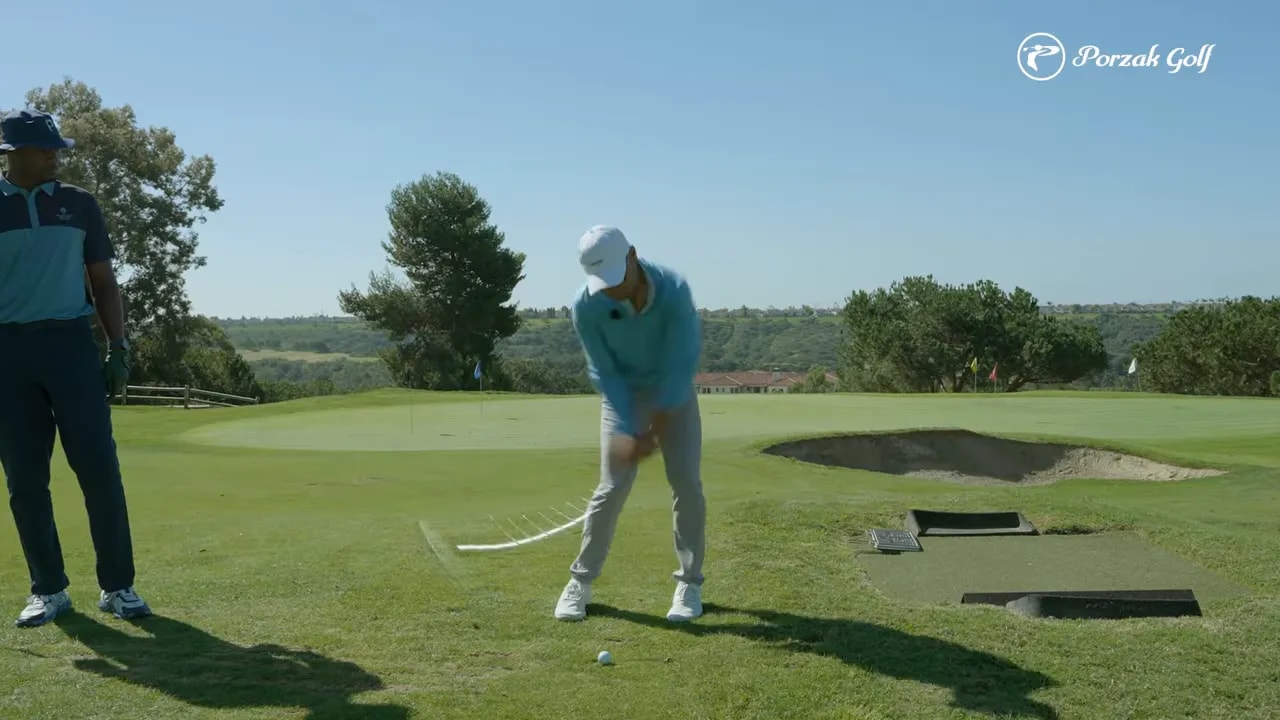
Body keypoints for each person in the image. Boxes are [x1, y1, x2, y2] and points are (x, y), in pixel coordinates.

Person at [0, 108, 152, 627]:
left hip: (71, 347)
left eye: (56, 147)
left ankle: (118, 586)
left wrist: (118, 347)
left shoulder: (79, 203)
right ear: (12, 154)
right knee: (25, 480)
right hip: (8, 355)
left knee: (99, 470)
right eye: (45, 148)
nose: (55, 155)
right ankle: (49, 590)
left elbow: (103, 280)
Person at [554, 225, 707, 623]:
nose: (610, 290)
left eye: (615, 279)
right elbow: (604, 371)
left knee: (686, 483)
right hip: (622, 396)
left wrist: (654, 427)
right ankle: (580, 581)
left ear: (633, 257)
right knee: (611, 486)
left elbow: (682, 361)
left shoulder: (673, 290)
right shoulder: (586, 305)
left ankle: (689, 584)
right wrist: (628, 427)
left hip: (673, 391)